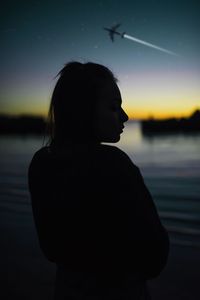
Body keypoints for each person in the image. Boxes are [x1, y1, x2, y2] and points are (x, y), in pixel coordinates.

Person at [28, 61, 169, 299]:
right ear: (82, 110)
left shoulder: (42, 162)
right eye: (114, 108)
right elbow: (154, 253)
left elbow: (50, 248)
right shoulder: (113, 164)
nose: (124, 116)